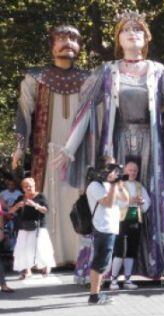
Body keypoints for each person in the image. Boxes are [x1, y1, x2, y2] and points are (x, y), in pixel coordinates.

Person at [57, 11, 164, 284]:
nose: (132, 33)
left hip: (153, 141)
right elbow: (85, 110)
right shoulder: (106, 71)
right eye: (126, 30)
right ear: (118, 38)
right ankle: (104, 270)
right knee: (112, 199)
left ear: (145, 39)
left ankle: (162, 265)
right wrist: (69, 148)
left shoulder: (160, 72)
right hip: (116, 141)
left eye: (138, 30)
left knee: (157, 199)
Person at [13, 25, 89, 267]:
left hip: (80, 154)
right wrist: (19, 146)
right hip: (46, 154)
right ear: (51, 45)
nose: (67, 42)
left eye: (72, 38)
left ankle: (81, 256)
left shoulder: (90, 79)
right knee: (47, 199)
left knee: (77, 198)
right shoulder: (35, 77)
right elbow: (24, 113)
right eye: (61, 38)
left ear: (80, 46)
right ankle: (45, 258)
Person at [86, 157, 129, 305]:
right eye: (111, 168)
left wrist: (120, 185)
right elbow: (109, 204)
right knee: (100, 262)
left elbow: (125, 200)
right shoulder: (94, 185)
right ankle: (94, 296)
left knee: (103, 262)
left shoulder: (109, 184)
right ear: (104, 169)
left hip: (111, 227)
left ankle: (96, 293)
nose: (115, 171)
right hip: (102, 227)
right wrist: (112, 186)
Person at [109, 160, 150, 290]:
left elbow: (147, 202)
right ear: (125, 171)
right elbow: (113, 201)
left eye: (135, 171)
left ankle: (127, 279)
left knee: (131, 250)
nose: (132, 172)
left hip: (134, 220)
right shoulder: (119, 184)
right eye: (130, 170)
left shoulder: (139, 186)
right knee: (119, 250)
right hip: (121, 220)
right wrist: (130, 201)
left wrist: (141, 202)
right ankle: (113, 280)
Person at [9, 178, 56, 279]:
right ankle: (27, 270)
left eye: (30, 185)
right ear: (23, 188)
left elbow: (45, 210)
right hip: (24, 226)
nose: (29, 188)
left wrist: (35, 205)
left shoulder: (40, 196)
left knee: (41, 247)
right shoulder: (21, 197)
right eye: (26, 186)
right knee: (23, 248)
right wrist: (17, 205)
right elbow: (11, 211)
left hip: (38, 226)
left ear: (34, 185)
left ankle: (45, 266)